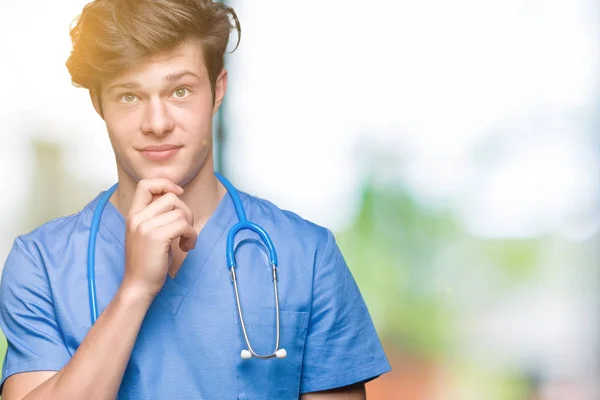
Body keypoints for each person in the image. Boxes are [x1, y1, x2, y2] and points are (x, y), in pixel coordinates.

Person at [0, 0, 391, 399]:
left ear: (217, 91)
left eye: (180, 91)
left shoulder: (307, 257)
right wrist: (135, 291)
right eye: (129, 96)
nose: (156, 124)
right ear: (98, 103)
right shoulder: (40, 265)